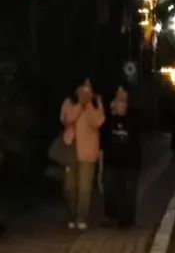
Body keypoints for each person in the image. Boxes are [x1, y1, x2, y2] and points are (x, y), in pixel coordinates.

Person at [60, 80, 105, 230]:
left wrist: (89, 104)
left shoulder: (96, 103)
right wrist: (80, 104)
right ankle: (72, 214)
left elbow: (97, 122)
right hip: (71, 152)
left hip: (88, 153)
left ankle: (82, 217)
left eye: (88, 89)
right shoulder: (69, 102)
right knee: (69, 187)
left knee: (84, 189)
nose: (86, 92)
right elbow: (67, 120)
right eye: (83, 88)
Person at [102, 86, 141, 228]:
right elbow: (103, 140)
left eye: (124, 101)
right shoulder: (109, 121)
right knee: (110, 189)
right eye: (119, 102)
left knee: (128, 191)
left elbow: (136, 140)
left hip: (130, 163)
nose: (121, 104)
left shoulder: (134, 118)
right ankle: (111, 216)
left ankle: (127, 218)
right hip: (111, 162)